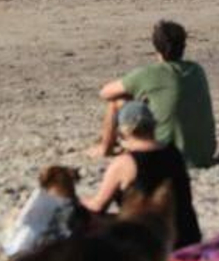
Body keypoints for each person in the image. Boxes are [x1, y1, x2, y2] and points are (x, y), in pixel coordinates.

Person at [89, 20, 216, 169]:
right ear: (184, 46)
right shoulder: (197, 70)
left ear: (156, 46)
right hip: (204, 155)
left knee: (117, 101)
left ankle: (105, 148)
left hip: (166, 156)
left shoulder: (150, 74)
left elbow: (105, 93)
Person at [83, 100, 203, 248]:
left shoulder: (124, 163)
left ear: (124, 130)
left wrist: (75, 201)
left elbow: (98, 206)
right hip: (188, 236)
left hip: (150, 244)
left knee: (85, 220)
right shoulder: (174, 152)